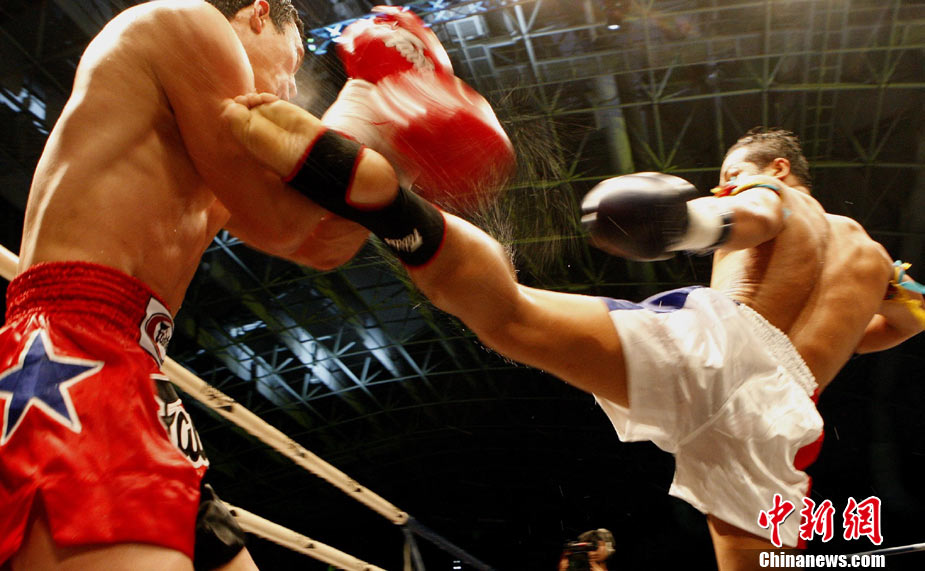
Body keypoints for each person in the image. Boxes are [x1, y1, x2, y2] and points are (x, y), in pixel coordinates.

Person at [223, 82, 925, 570]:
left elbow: (756, 213)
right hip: (787, 418)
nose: (723, 183)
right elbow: (900, 325)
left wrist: (691, 221)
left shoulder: (772, 194)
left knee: (510, 316)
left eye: (728, 173)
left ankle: (389, 207)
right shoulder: (876, 265)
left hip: (724, 345)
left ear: (776, 167)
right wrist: (837, 335)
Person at [0, 0, 412, 569]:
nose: (291, 87)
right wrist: (369, 112)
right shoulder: (187, 21)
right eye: (292, 61)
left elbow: (318, 245)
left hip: (138, 372)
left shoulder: (211, 152)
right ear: (259, 13)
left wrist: (400, 150)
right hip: (71, 349)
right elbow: (282, 220)